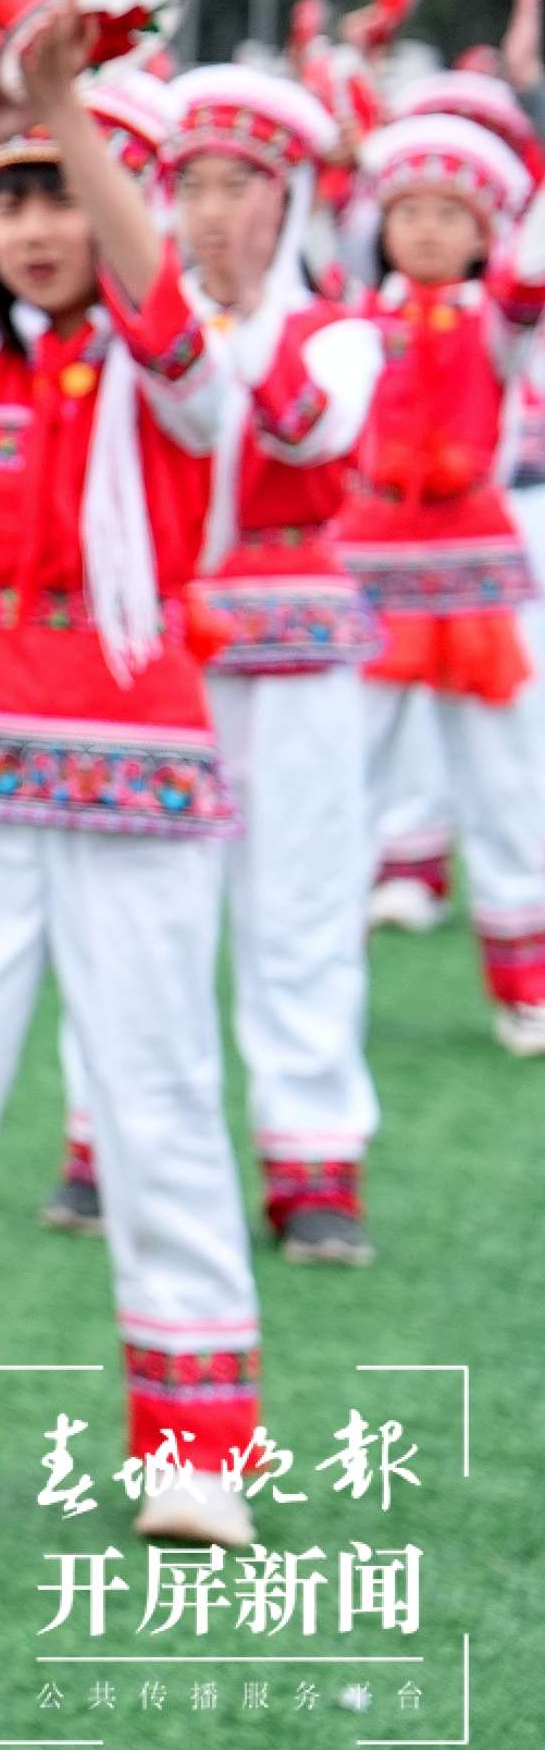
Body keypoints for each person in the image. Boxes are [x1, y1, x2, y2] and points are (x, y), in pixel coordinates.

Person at [0, 25, 266, 1548]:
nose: (33, 227)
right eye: (11, 206)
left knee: (157, 1105)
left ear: (115, 200)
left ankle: (197, 1454)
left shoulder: (187, 368)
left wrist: (67, 115)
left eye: (59, 197)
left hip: (143, 771)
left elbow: (159, 300)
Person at [49, 69, 390, 1256]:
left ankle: (313, 1166)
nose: (206, 210)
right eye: (186, 183)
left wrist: (244, 310)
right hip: (162, 646)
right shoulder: (137, 327)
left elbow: (308, 429)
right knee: (138, 902)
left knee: (296, 905)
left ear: (286, 198)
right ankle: (101, 1137)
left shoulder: (339, 331)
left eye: (235, 184)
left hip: (293, 651)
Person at [332, 111, 545, 1056]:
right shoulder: (350, 319)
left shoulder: (496, 324)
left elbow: (530, 279)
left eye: (446, 214)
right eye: (406, 209)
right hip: (365, 565)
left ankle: (524, 983)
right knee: (341, 780)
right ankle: (318, 973)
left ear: (481, 233)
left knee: (506, 785)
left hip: (472, 569)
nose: (422, 228)